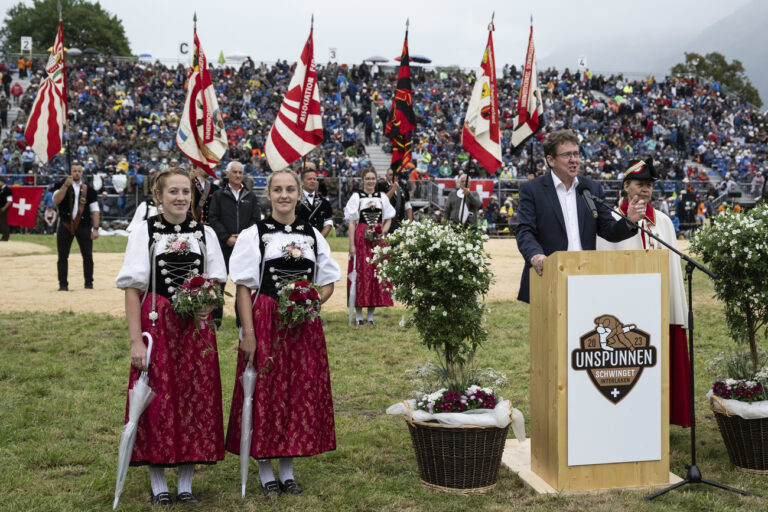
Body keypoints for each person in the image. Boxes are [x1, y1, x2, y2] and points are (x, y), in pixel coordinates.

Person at [115, 167, 227, 506]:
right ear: (158, 196)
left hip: (195, 327)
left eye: (185, 192)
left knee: (195, 396)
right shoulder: (145, 232)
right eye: (173, 192)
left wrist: (208, 303)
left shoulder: (204, 232)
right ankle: (158, 479)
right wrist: (136, 341)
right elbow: (133, 290)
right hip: (157, 325)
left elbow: (216, 280)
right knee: (158, 398)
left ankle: (186, 482)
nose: (180, 198)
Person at [225, 169, 340, 497]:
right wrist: (248, 333)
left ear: (298, 194)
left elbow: (329, 281)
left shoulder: (313, 235)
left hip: (303, 325)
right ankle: (265, 468)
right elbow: (244, 288)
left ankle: (287, 470)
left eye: (290, 189)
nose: (285, 195)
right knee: (266, 392)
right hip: (266, 320)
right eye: (278, 190)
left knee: (296, 392)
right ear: (269, 194)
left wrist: (312, 301)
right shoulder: (255, 234)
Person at [597, 159, 691, 427]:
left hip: (662, 305)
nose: (645, 189)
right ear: (626, 186)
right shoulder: (611, 220)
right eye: (639, 184)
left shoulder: (662, 221)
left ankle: (662, 417)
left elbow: (672, 266)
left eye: (649, 185)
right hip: (628, 312)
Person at [515, 129, 645, 303]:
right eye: (567, 155)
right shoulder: (532, 190)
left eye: (576, 154)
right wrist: (536, 255)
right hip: (548, 276)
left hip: (586, 278)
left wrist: (629, 221)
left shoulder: (590, 188)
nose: (574, 160)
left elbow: (608, 230)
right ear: (551, 160)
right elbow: (525, 231)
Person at [208, 161, 261, 327]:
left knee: (243, 286)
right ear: (227, 174)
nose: (238, 175)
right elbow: (213, 219)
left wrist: (243, 238)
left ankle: (241, 321)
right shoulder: (218, 195)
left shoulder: (250, 196)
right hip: (223, 247)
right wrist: (226, 238)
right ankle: (216, 321)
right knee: (218, 284)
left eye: (240, 172)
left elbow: (255, 220)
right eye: (235, 172)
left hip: (243, 248)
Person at [344, 168, 395, 325]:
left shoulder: (382, 197)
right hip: (361, 238)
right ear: (363, 180)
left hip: (378, 240)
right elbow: (352, 222)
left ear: (376, 180)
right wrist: (352, 244)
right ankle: (359, 315)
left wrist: (382, 233)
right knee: (360, 273)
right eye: (367, 178)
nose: (371, 181)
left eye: (373, 178)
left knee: (375, 275)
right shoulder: (356, 197)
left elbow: (388, 219)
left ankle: (371, 316)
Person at [52, 164, 100, 291]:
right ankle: (63, 285)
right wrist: (65, 185)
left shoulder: (89, 190)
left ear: (82, 173)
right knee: (62, 256)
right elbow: (56, 200)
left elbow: (95, 210)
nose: (76, 173)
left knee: (87, 256)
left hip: (84, 226)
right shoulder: (60, 185)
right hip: (65, 225)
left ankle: (89, 283)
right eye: (74, 171)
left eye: (79, 171)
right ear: (70, 172)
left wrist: (95, 228)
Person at [295, 162, 333, 237]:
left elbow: (328, 222)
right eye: (309, 179)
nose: (312, 181)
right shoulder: (295, 200)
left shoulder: (324, 202)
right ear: (302, 181)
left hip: (318, 240)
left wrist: (320, 239)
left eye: (314, 179)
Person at [379, 166, 413, 233]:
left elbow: (407, 206)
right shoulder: (381, 185)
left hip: (400, 223)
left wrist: (410, 224)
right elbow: (382, 201)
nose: (394, 176)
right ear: (386, 176)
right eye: (391, 175)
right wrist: (393, 189)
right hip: (386, 223)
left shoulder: (403, 186)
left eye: (395, 174)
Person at [0, 176, 11, 241]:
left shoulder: (8, 190)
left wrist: (4, 208)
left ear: (2, 182)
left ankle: (6, 236)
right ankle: (3, 236)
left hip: (4, 208)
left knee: (3, 222)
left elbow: (9, 201)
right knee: (1, 223)